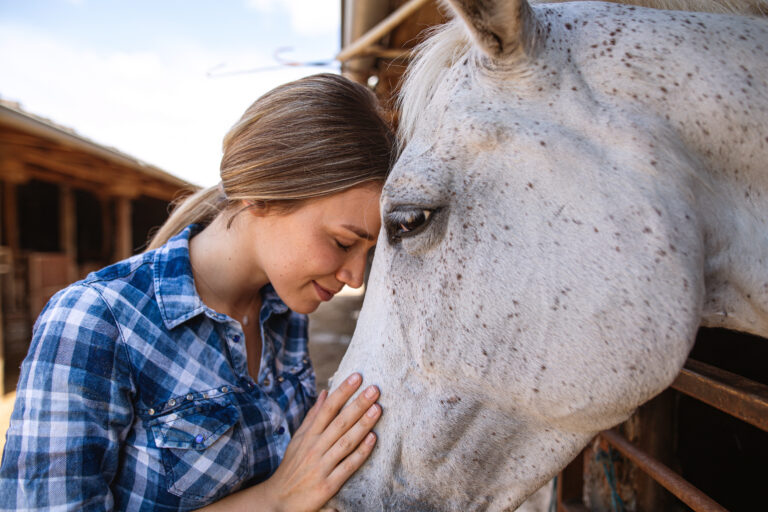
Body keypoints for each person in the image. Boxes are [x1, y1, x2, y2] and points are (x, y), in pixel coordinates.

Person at [0, 73, 395, 511]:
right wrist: (276, 499)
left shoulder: (284, 313)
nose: (356, 277)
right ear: (259, 194)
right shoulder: (96, 321)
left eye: (368, 251)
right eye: (343, 242)